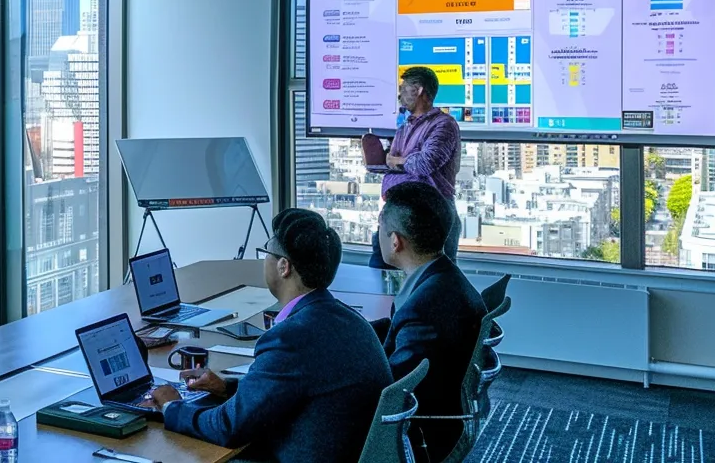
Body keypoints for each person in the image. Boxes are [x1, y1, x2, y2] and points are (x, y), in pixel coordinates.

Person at [148, 209, 391, 463]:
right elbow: (292, 387)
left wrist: (171, 407)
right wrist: (227, 388)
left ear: (283, 266)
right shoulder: (349, 319)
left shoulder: (291, 337)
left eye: (266, 253)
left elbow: (228, 428)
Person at [371, 181, 488, 462]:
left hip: (420, 434)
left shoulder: (425, 308)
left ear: (395, 241)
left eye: (379, 229)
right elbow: (398, 330)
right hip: (443, 414)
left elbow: (391, 390)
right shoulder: (442, 278)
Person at [371, 65, 463, 269]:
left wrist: (398, 161)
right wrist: (394, 161)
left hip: (432, 215)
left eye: (404, 88)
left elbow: (426, 162)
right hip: (397, 214)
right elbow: (391, 162)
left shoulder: (443, 124)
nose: (399, 94)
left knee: (431, 284)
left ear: (419, 90)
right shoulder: (404, 127)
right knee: (381, 275)